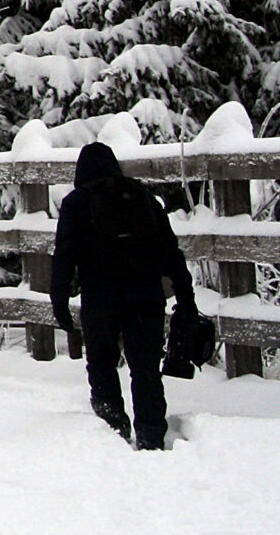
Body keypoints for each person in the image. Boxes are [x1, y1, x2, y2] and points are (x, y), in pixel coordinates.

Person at [50, 141, 199, 450]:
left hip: (101, 296)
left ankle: (112, 429)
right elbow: (171, 252)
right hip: (145, 295)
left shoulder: (77, 202)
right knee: (145, 368)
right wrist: (186, 297)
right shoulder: (143, 197)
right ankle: (150, 434)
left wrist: (60, 302)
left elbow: (64, 256)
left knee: (102, 362)